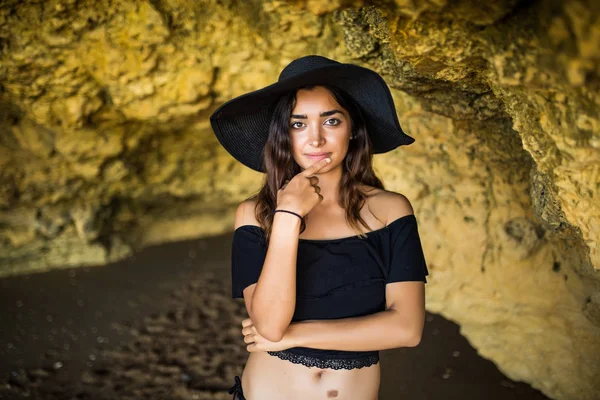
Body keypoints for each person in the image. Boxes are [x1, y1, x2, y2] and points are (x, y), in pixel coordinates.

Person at [210, 55, 429, 400]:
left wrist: (296, 335)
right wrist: (287, 216)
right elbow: (268, 325)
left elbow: (407, 329)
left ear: (353, 129)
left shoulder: (390, 211)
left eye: (330, 121)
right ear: (284, 135)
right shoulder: (255, 215)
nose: (315, 139)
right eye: (298, 125)